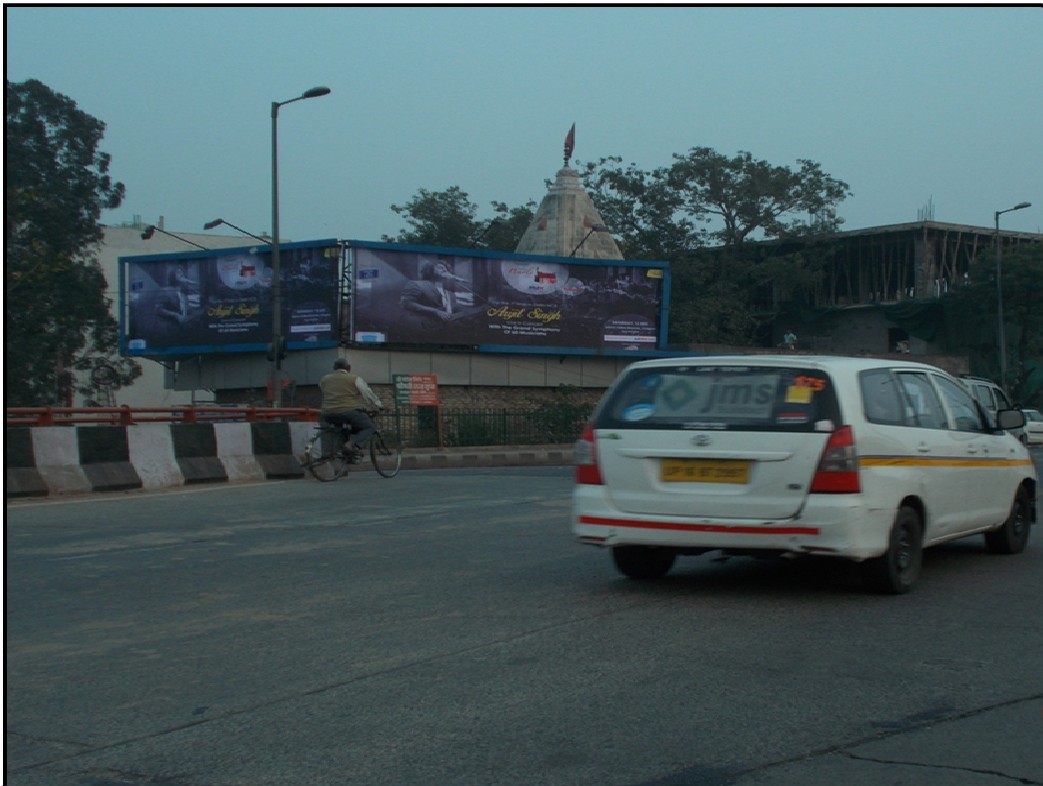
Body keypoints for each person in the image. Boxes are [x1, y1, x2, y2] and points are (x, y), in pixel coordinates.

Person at [319, 358, 384, 460]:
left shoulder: (324, 379)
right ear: (349, 368)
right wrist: (378, 405)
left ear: (334, 368)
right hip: (348, 412)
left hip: (328, 413)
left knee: (345, 428)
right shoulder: (354, 379)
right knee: (370, 427)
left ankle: (346, 455)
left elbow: (323, 392)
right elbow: (367, 394)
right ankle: (351, 445)